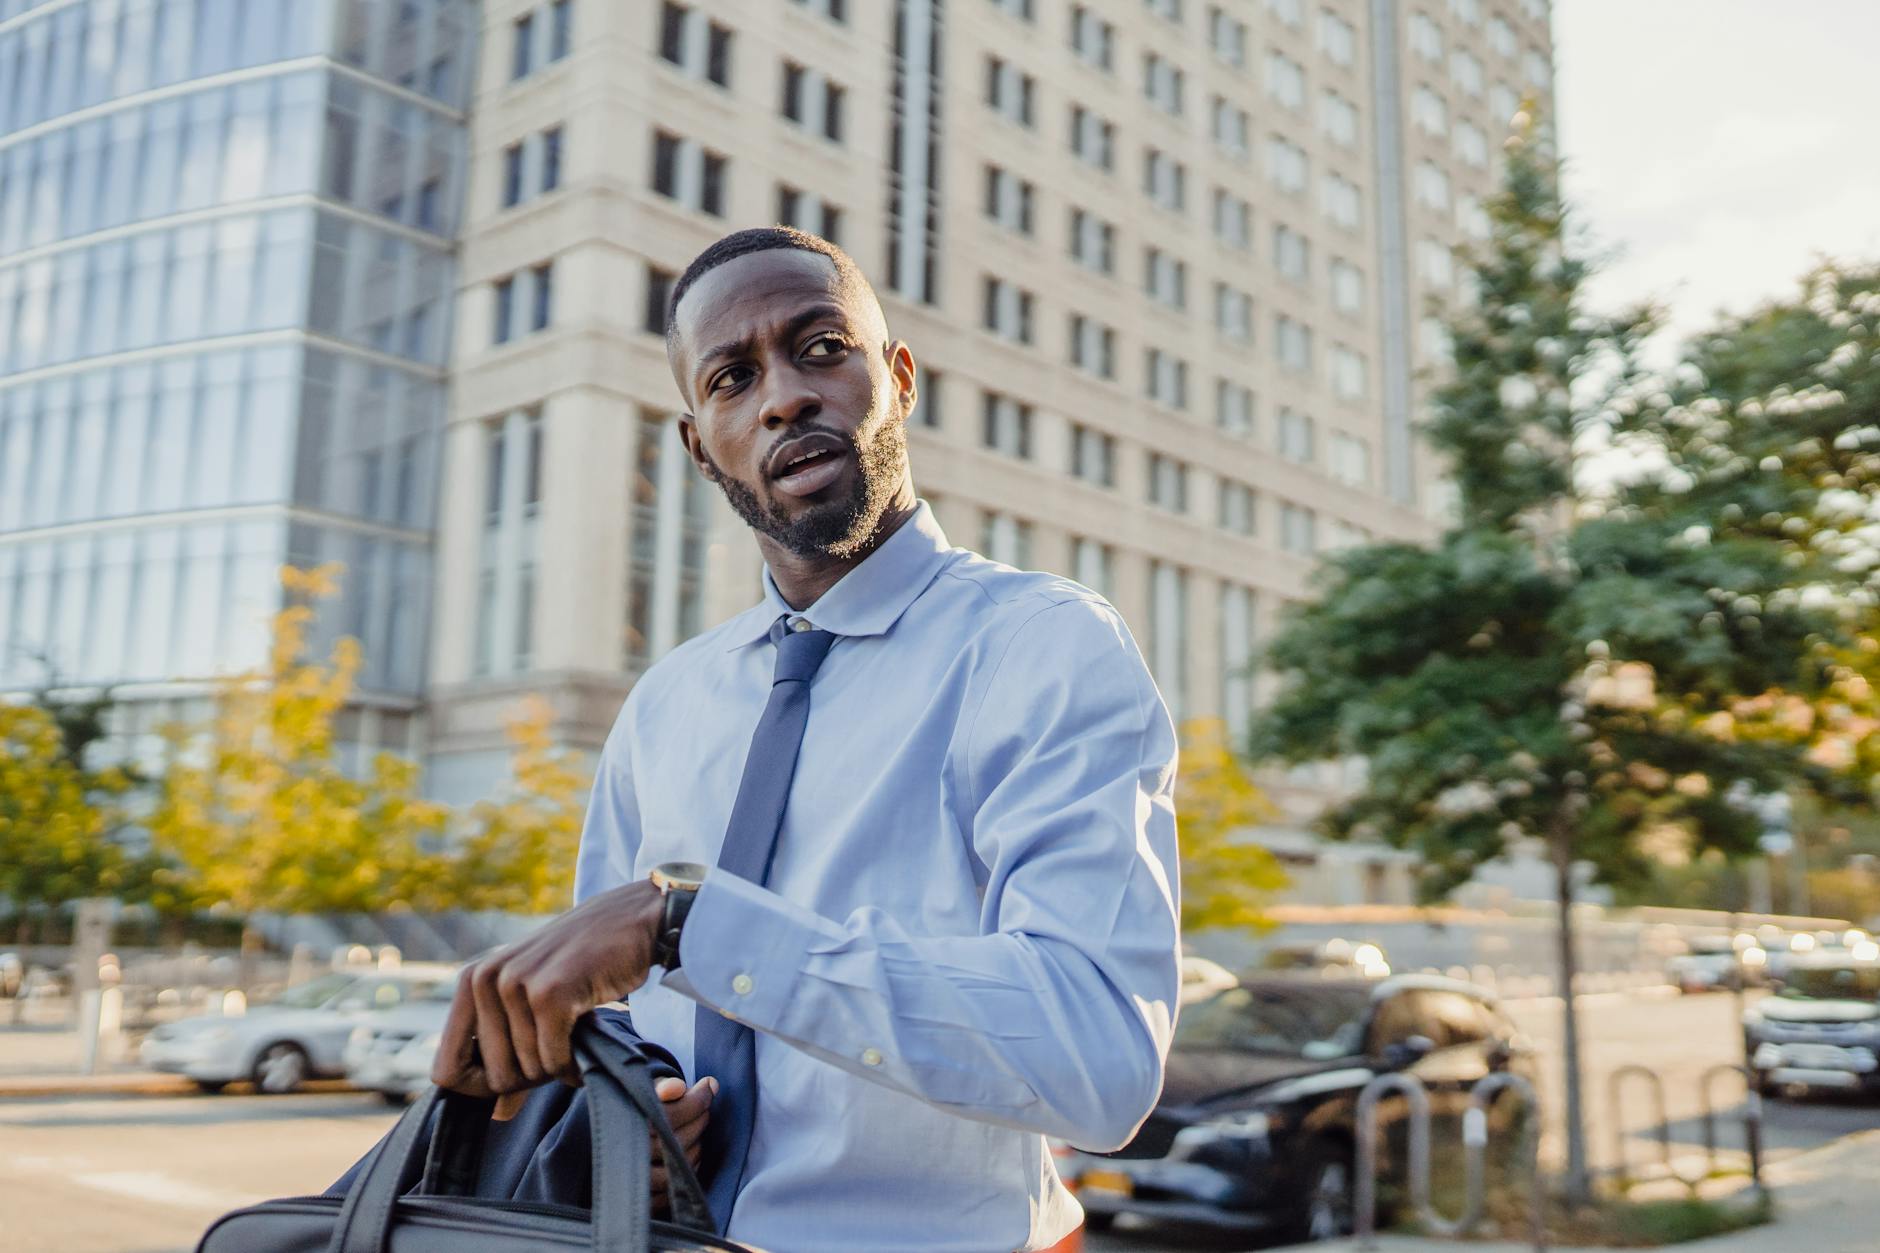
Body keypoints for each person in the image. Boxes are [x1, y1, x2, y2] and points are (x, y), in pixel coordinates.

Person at [430, 227, 1182, 1252]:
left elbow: (1097, 1060)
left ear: (898, 377)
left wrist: (692, 922)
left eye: (820, 346)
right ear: (701, 444)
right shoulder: (665, 703)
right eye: (732, 377)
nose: (783, 395)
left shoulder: (1042, 647)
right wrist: (625, 1115)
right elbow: (620, 1017)